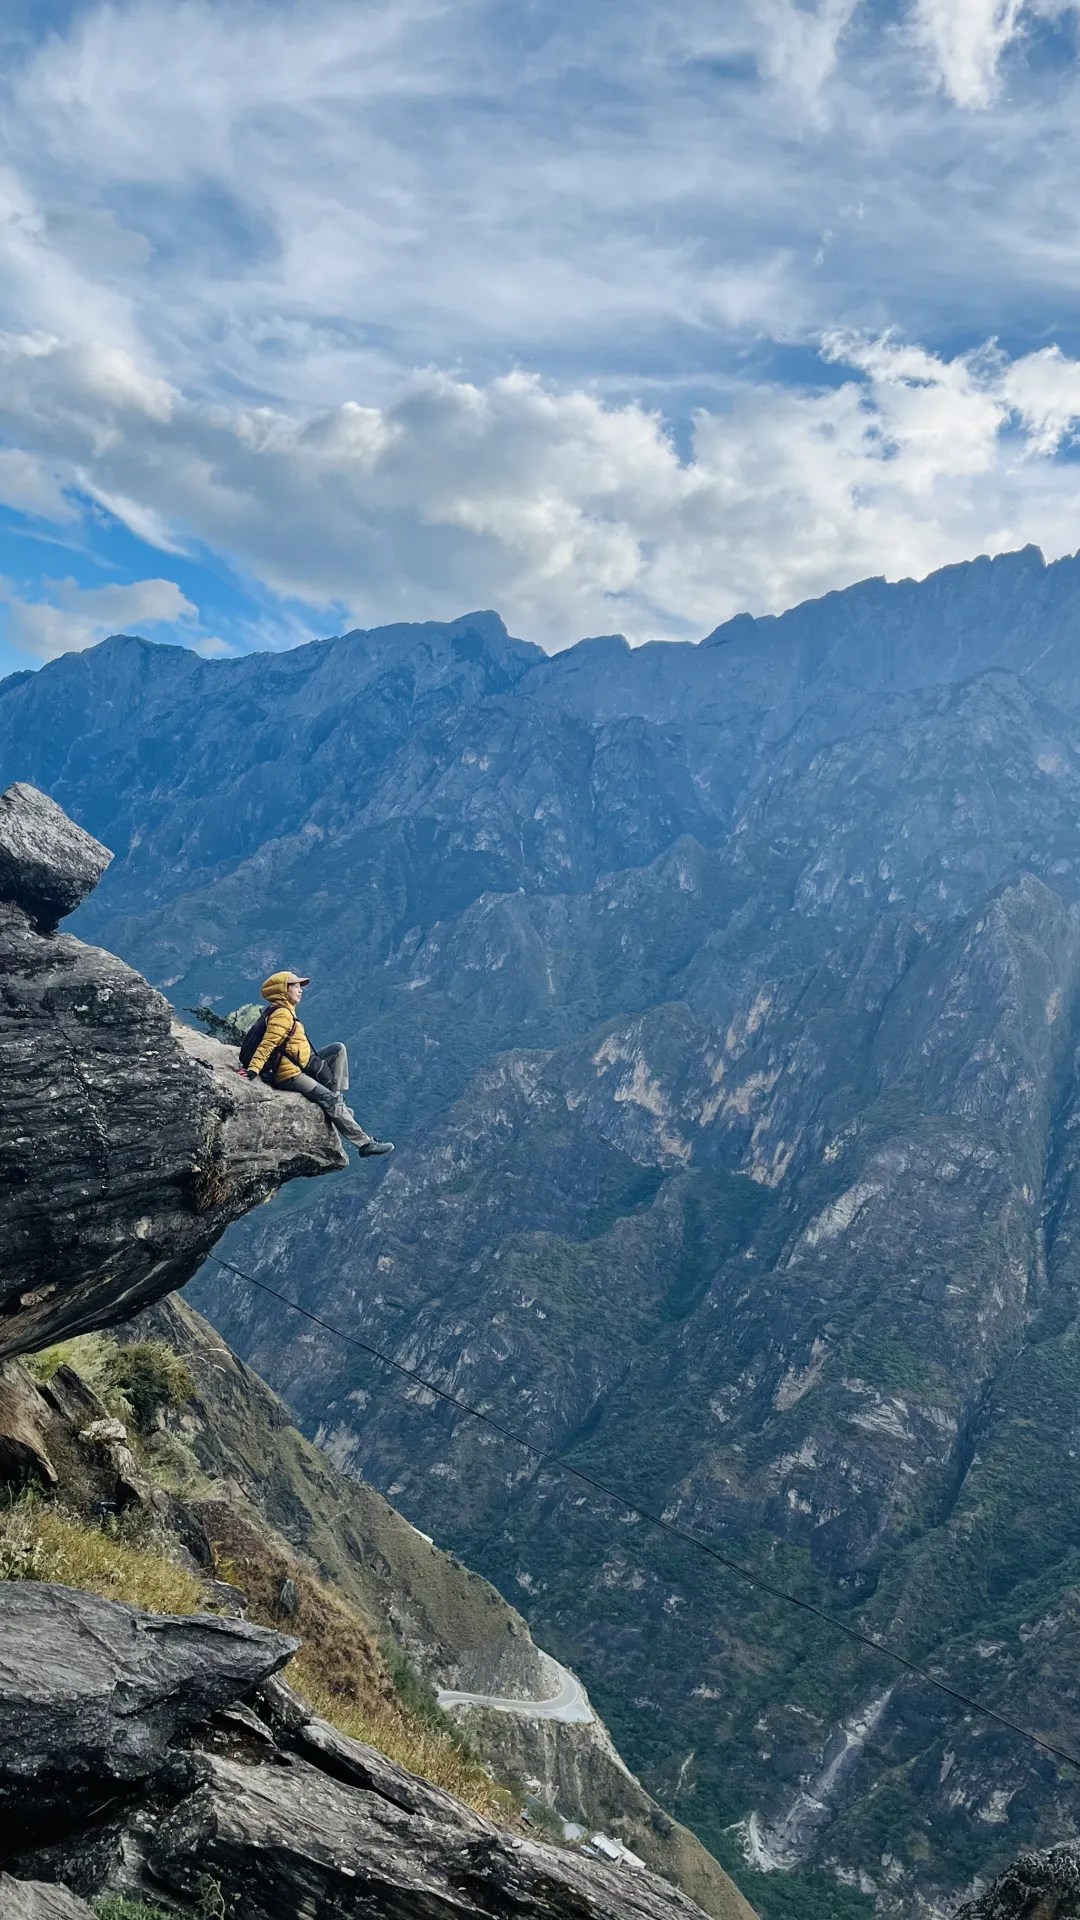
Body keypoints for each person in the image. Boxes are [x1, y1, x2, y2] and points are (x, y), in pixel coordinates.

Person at [240, 971, 393, 1157]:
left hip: (302, 1063)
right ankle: (364, 1144)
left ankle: (338, 1100)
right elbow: (268, 1044)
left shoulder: (285, 1010)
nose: (300, 990)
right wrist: (253, 1069)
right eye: (295, 986)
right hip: (290, 1075)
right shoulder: (282, 1015)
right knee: (329, 1099)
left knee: (338, 1049)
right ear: (282, 990)